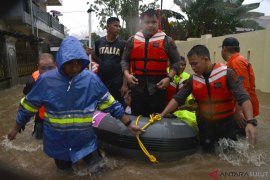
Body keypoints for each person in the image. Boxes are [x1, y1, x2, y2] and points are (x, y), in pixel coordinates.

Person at [8, 36, 144, 172]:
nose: (74, 68)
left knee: (99, 170)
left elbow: (110, 104)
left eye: (79, 63)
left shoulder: (91, 80)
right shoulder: (46, 81)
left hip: (85, 141)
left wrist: (129, 124)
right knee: (65, 173)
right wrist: (15, 128)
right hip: (58, 143)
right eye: (70, 63)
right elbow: (28, 107)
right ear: (61, 61)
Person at [160, 45, 257, 152]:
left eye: (195, 63)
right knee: (207, 156)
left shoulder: (227, 73)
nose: (193, 67)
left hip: (226, 124)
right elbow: (178, 98)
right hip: (205, 125)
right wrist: (162, 114)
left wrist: (250, 122)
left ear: (206, 59)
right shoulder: (193, 79)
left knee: (230, 155)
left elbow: (243, 97)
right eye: (191, 64)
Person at [121, 9, 181, 116]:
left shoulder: (167, 40)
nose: (150, 25)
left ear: (158, 22)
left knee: (156, 118)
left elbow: (176, 62)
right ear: (141, 23)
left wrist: (169, 78)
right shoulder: (132, 40)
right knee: (137, 117)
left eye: (154, 22)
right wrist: (127, 75)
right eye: (147, 22)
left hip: (159, 86)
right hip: (137, 86)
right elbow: (124, 60)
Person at [221, 37, 259, 134]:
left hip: (242, 112)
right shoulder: (236, 61)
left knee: (240, 140)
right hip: (243, 109)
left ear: (224, 49)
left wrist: (238, 111)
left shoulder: (236, 62)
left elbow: (243, 88)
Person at [91, 17, 127, 107]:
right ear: (108, 27)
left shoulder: (122, 43)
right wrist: (91, 54)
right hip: (102, 80)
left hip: (117, 82)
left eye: (119, 26)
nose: (118, 28)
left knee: (117, 105)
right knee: (103, 105)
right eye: (115, 26)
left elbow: (126, 64)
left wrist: (124, 84)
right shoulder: (99, 42)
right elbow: (97, 60)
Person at [22, 53, 56, 139]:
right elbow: (26, 102)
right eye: (43, 68)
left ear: (55, 65)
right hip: (41, 118)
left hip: (58, 119)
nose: (47, 72)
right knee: (38, 140)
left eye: (50, 68)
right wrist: (22, 121)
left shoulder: (63, 78)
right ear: (38, 67)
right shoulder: (32, 81)